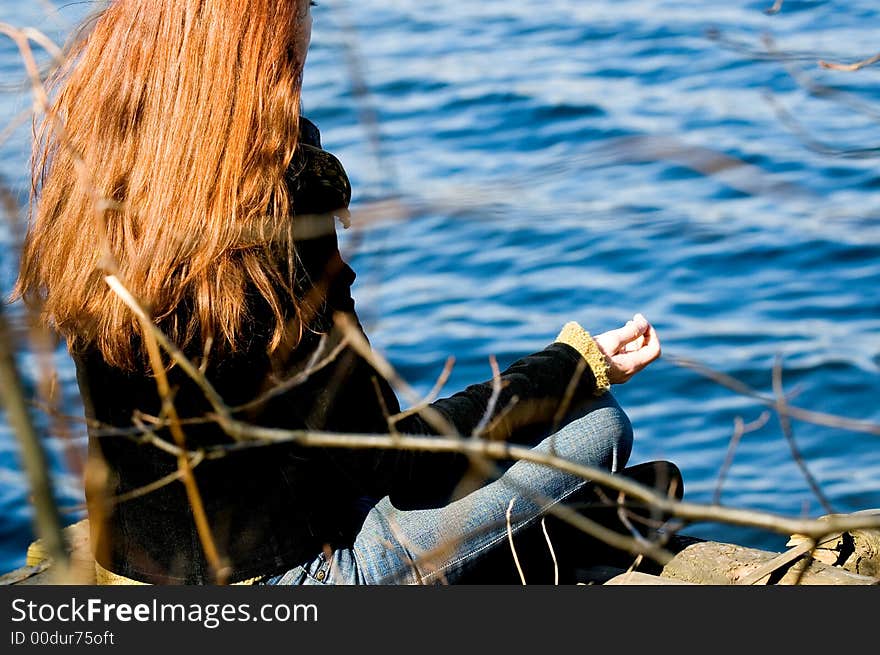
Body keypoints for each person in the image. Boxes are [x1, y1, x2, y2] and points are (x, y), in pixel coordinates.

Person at [15, 0, 664, 585]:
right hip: (291, 582)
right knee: (599, 427)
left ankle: (582, 522)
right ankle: (582, 522)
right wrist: (576, 364)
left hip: (122, 564)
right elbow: (396, 464)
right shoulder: (277, 205)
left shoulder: (94, 184)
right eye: (289, 61)